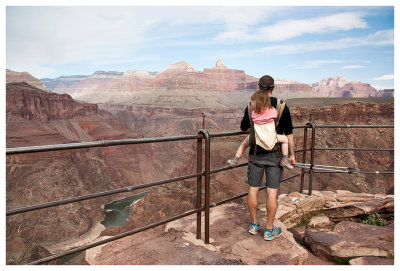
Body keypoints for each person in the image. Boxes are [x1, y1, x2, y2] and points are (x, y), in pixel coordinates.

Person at [240, 75, 295, 241]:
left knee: (253, 189)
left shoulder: (251, 106)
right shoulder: (281, 106)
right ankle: (269, 229)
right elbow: (289, 134)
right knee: (272, 192)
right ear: (273, 88)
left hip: (256, 154)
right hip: (275, 155)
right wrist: (291, 154)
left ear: (258, 87)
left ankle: (254, 224)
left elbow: (243, 127)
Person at [226, 90, 293, 170]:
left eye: (254, 102)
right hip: (271, 138)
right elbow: (276, 121)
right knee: (285, 139)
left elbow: (248, 125)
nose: (252, 104)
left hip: (256, 138)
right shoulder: (273, 112)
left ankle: (235, 160)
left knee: (243, 145)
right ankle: (285, 159)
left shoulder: (253, 114)